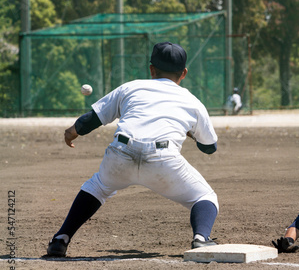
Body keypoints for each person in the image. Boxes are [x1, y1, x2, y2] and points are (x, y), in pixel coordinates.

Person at [47, 42, 220, 257]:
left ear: (151, 70)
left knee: (97, 187)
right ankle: (201, 238)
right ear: (183, 73)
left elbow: (92, 119)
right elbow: (209, 147)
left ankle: (61, 238)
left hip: (121, 152)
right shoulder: (192, 101)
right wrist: (191, 133)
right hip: (163, 160)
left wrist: (72, 131)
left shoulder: (131, 87)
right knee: (205, 196)